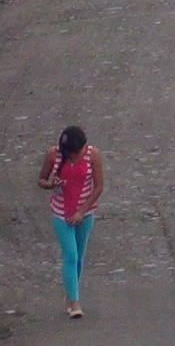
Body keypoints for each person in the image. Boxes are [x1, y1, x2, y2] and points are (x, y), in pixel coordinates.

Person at [36, 125, 104, 319]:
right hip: (61, 213)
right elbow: (41, 179)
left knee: (79, 257)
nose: (73, 157)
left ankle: (70, 294)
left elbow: (98, 186)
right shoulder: (53, 155)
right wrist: (51, 185)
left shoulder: (93, 155)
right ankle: (75, 302)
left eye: (76, 153)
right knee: (71, 255)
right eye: (70, 154)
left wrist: (81, 213)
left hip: (85, 213)